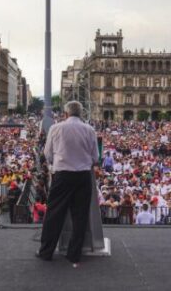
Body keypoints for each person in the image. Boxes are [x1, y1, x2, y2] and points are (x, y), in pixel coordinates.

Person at [37, 101, 99, 266]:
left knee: (54, 214)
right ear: (81, 114)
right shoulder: (89, 130)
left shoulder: (56, 128)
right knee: (80, 216)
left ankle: (46, 252)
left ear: (65, 114)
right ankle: (74, 254)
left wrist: (56, 162)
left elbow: (47, 154)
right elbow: (95, 158)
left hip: (62, 175)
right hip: (83, 176)